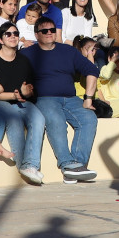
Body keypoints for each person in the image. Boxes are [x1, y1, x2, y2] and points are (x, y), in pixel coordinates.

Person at [22, 17, 100, 183]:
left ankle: (77, 166)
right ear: (37, 35)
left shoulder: (68, 51)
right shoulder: (27, 53)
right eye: (44, 31)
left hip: (71, 98)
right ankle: (67, 164)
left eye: (52, 30)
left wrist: (88, 98)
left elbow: (92, 70)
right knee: (56, 120)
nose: (49, 33)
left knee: (89, 118)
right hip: (45, 99)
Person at [0, 22, 46, 185]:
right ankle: (23, 165)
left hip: (21, 101)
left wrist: (27, 92)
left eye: (15, 33)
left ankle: (31, 166)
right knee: (14, 120)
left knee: (38, 119)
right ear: (0, 39)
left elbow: (31, 89)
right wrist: (16, 95)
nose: (13, 37)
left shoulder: (23, 61)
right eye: (8, 34)